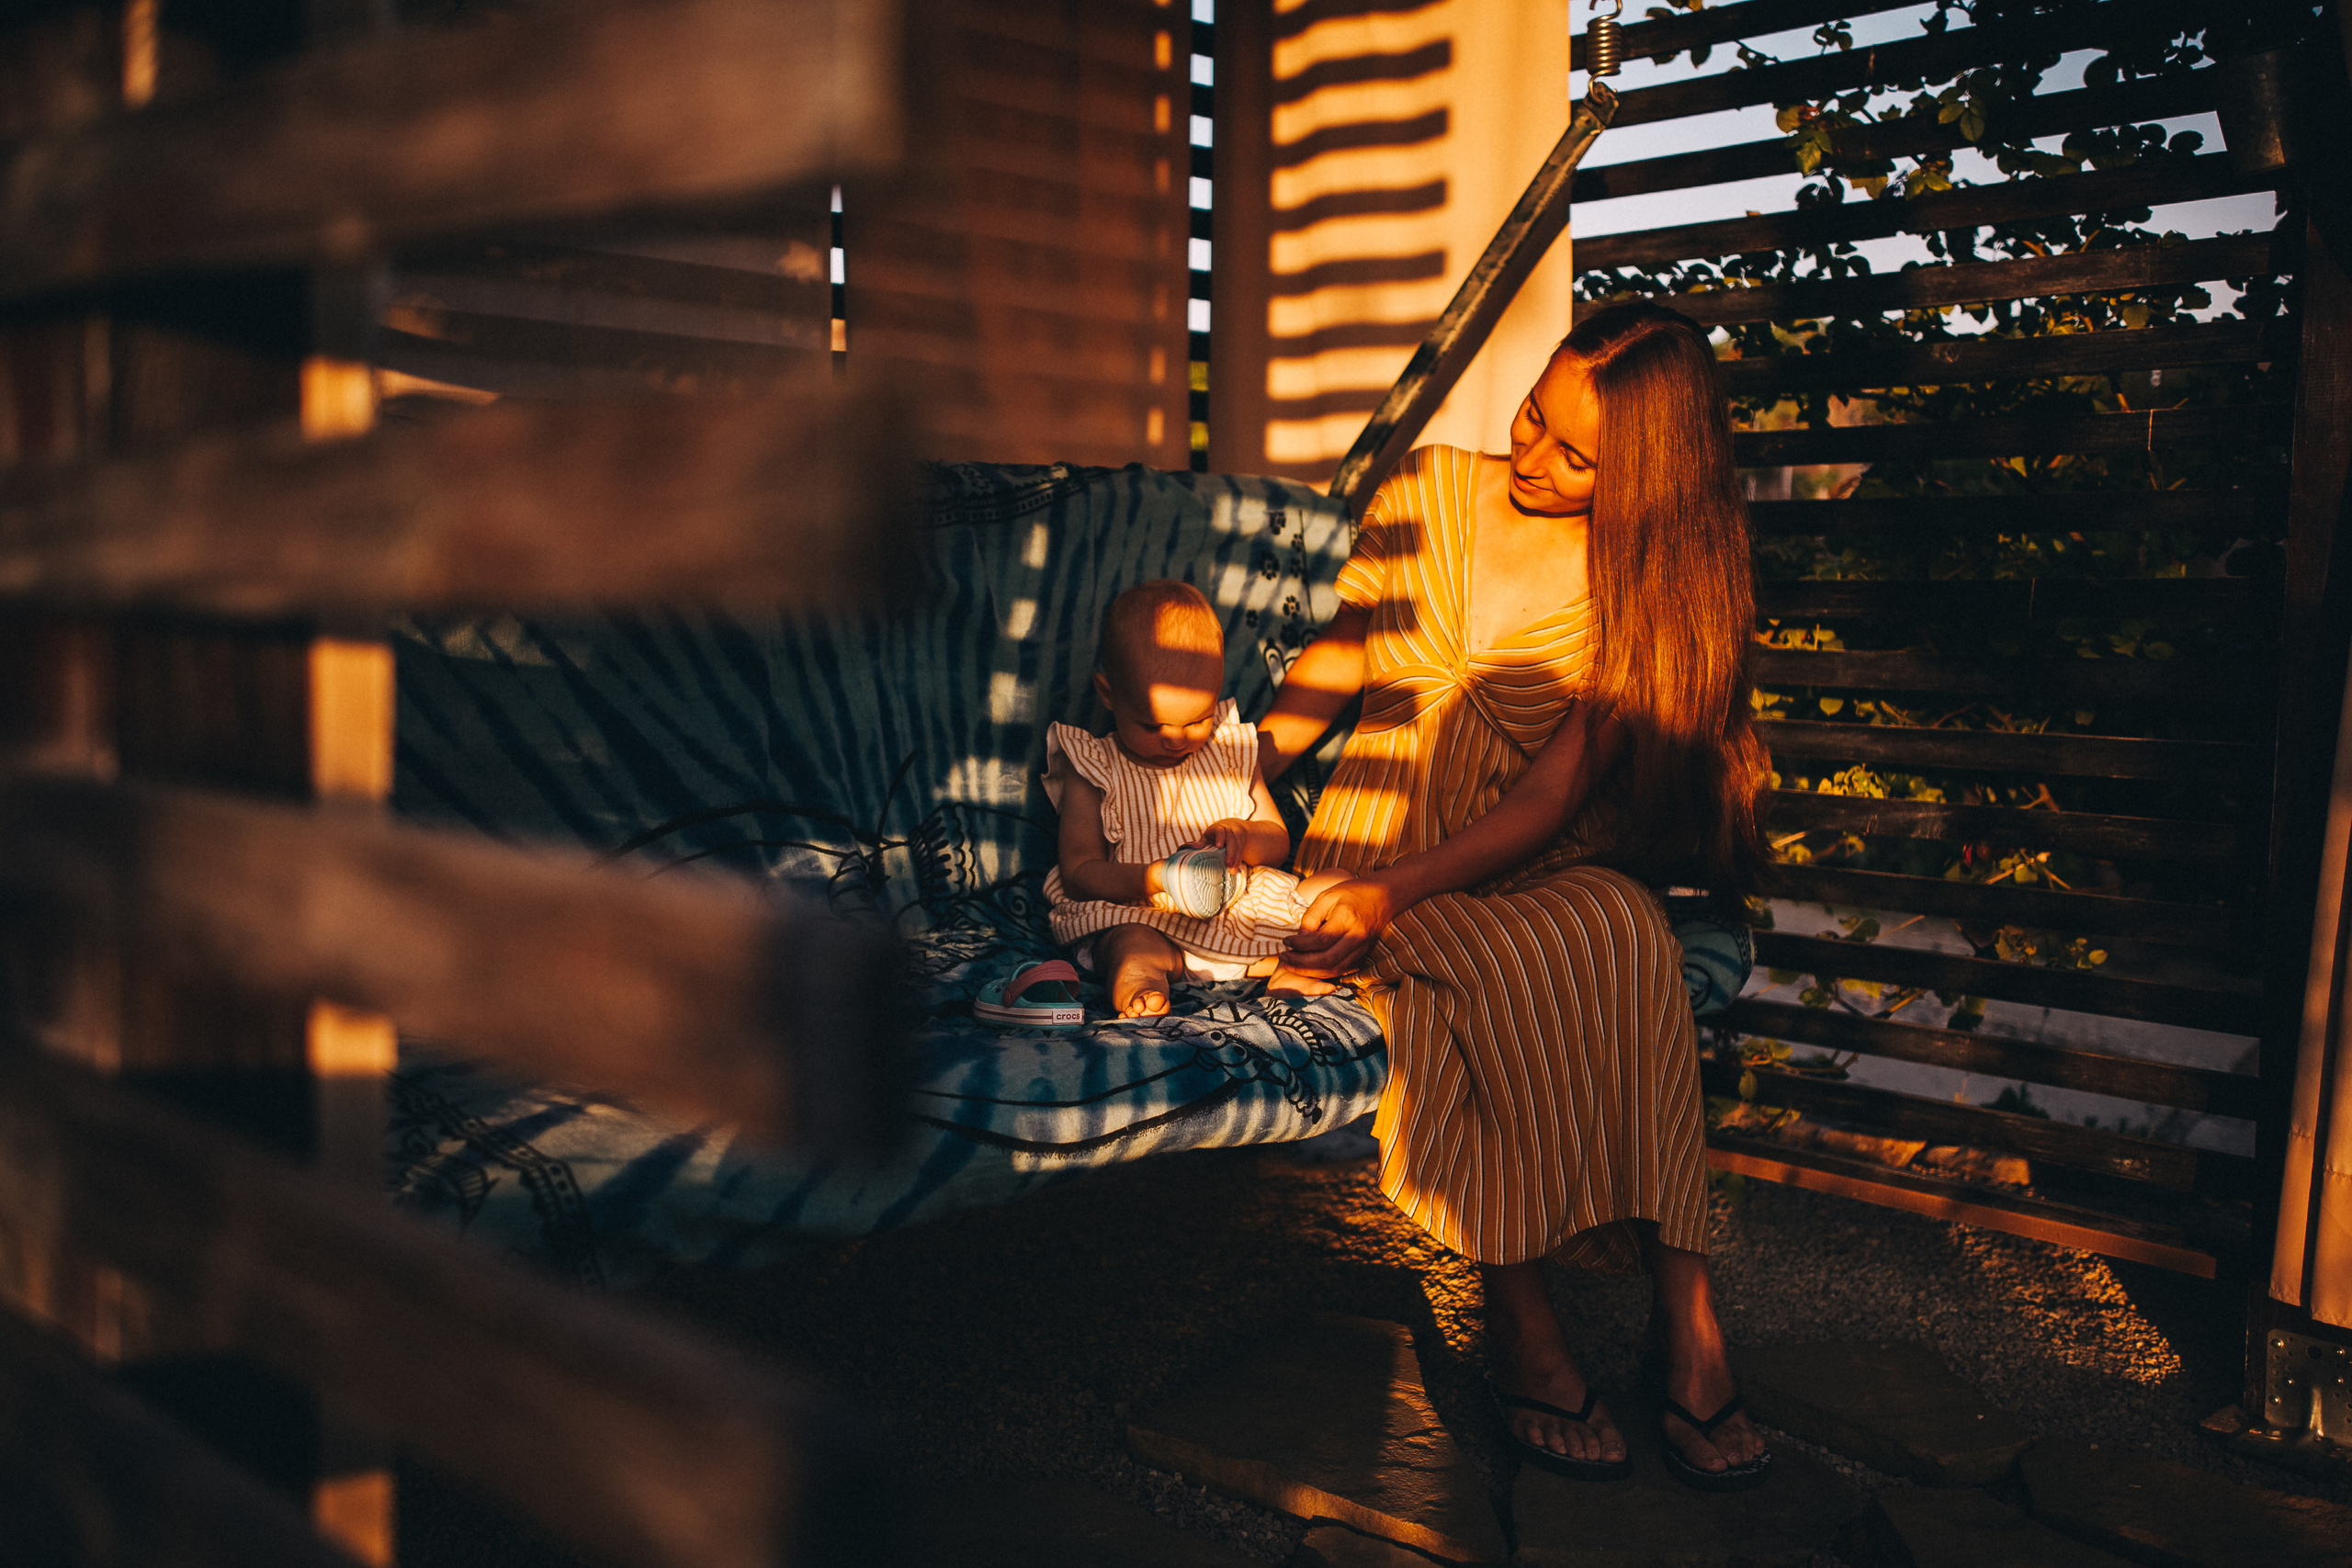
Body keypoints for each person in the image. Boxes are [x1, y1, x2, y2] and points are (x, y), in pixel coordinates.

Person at [1253, 302, 1773, 1490]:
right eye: (1533, 416)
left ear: (1645, 473)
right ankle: (1527, 1330)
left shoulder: (1646, 585)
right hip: (1384, 834)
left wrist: (1393, 896)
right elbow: (1340, 654)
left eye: (1575, 456)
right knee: (1466, 986)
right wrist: (1233, 770)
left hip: (1518, 853)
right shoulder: (1429, 485)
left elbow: (1546, 799)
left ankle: (1689, 1322)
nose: (1532, 458)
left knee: (1625, 929)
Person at [1044, 580, 1356, 1019]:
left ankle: (1287, 969)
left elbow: (1277, 841)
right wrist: (1153, 878)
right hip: (1143, 915)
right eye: (1152, 726)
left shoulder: (1229, 750)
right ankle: (1142, 987)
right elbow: (1078, 872)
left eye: (1197, 720)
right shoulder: (1094, 767)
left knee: (1337, 889)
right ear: (1108, 693)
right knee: (1132, 946)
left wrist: (1244, 835)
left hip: (1238, 910)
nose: (1175, 739)